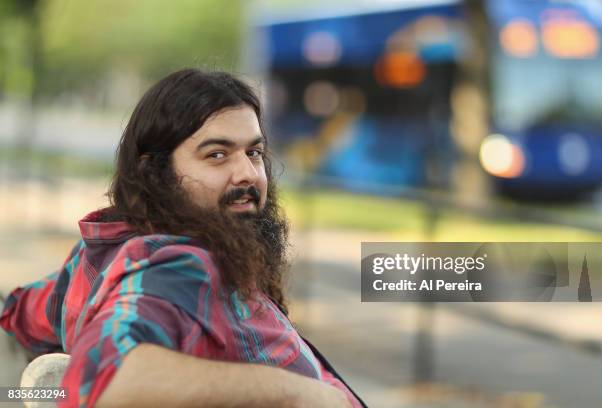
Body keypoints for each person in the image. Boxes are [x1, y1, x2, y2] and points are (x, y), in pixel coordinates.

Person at [0, 69, 366, 408]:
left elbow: (19, 312)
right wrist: (298, 392)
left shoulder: (100, 254)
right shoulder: (179, 264)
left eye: (253, 152)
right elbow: (105, 380)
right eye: (217, 155)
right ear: (155, 172)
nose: (248, 174)